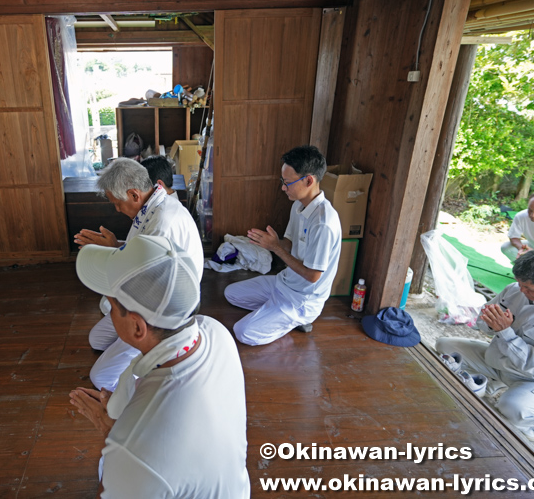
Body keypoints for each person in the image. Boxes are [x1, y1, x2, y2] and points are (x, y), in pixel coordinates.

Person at [69, 235, 250, 498]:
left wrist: (114, 433)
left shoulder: (133, 452)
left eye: (111, 304)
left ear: (137, 327)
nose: (108, 312)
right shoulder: (214, 332)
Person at [74, 158, 203, 391]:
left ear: (134, 195)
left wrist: (113, 254)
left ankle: (149, 376)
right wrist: (115, 246)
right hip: (152, 289)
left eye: (118, 203)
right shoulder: (152, 205)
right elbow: (143, 251)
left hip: (158, 313)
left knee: (101, 378)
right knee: (97, 340)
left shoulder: (163, 222)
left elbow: (147, 281)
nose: (117, 209)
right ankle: (136, 358)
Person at [436, 250, 534, 442]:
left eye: (530, 288)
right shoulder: (515, 289)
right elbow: (484, 322)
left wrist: (505, 332)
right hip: (500, 361)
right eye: (521, 284)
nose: (522, 291)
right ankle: (495, 382)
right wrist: (491, 323)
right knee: (444, 345)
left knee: (514, 407)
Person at [224, 146, 341, 345]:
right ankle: (274, 312)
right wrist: (274, 243)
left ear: (309, 180)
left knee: (242, 332)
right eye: (283, 182)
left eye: (287, 183)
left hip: (302, 300)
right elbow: (289, 244)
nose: (283, 188)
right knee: (231, 294)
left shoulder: (323, 223)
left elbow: (313, 276)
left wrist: (276, 248)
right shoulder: (298, 205)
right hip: (283, 283)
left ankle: (292, 319)